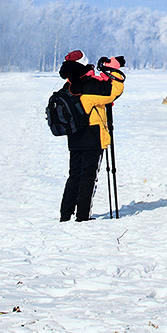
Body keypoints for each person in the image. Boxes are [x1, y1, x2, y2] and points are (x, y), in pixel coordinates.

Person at [57, 50, 125, 221]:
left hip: (74, 137)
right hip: (92, 136)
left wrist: (103, 74)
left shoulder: (69, 86)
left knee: (75, 175)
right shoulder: (89, 85)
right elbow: (113, 91)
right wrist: (114, 69)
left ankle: (65, 215)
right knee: (88, 176)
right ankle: (82, 216)